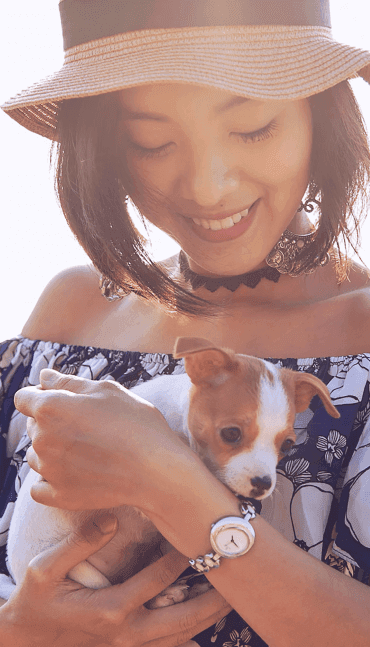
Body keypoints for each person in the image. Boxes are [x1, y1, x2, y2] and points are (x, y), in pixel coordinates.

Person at [1, 0, 370, 644]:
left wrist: (172, 485)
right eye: (151, 141)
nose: (206, 187)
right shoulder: (70, 311)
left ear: (321, 111)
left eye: (252, 126)